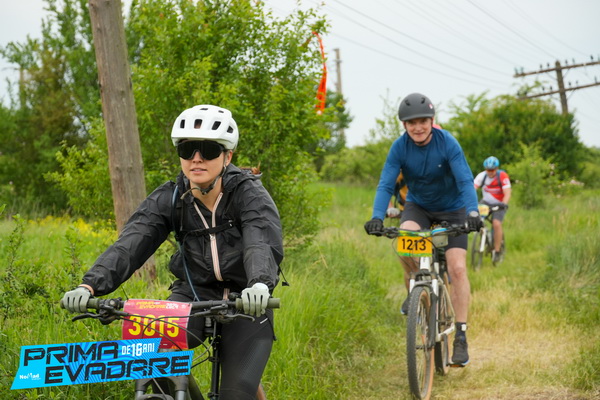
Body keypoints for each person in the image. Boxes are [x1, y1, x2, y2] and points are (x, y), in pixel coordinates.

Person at [61, 104, 284, 400]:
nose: (196, 158)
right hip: (193, 295)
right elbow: (131, 243)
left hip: (248, 300)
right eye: (188, 149)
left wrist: (259, 284)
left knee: (237, 391)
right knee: (150, 356)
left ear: (227, 156)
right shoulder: (171, 196)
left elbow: (261, 239)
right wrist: (89, 285)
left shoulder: (248, 193)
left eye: (208, 150)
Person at [364, 93, 482, 367]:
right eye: (411, 123)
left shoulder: (447, 143)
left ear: (432, 120)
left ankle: (461, 335)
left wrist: (473, 212)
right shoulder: (399, 147)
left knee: (457, 268)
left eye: (423, 122)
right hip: (418, 207)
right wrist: (377, 217)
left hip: (453, 209)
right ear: (404, 125)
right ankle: (416, 289)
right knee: (405, 239)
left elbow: (465, 181)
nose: (418, 127)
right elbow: (386, 184)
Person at [474, 156, 511, 263]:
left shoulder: (502, 176)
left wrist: (504, 204)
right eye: (488, 170)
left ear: (497, 169)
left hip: (499, 203)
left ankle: (497, 251)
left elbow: (507, 192)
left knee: (496, 223)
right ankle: (484, 238)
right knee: (476, 219)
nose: (490, 172)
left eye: (492, 170)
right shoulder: (482, 176)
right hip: (485, 202)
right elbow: (472, 189)